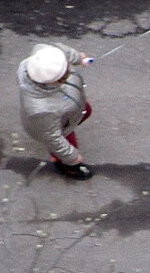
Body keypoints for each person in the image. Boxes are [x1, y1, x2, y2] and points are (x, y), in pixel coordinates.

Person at [17, 42, 95, 180]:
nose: (70, 71)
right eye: (64, 75)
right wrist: (73, 157)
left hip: (70, 106)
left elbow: (62, 51)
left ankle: (66, 150)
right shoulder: (40, 110)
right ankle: (66, 165)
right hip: (59, 126)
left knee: (87, 111)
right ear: (51, 82)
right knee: (67, 143)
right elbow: (52, 137)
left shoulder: (44, 54)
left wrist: (78, 58)